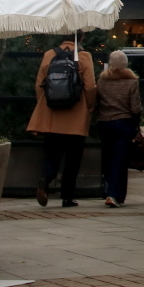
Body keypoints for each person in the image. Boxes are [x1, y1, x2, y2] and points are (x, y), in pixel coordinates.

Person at [26, 39, 96, 207]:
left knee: (52, 153)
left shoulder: (49, 55)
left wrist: (44, 104)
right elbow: (90, 86)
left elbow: (39, 84)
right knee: (73, 159)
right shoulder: (84, 57)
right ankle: (67, 197)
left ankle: (45, 179)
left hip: (52, 115)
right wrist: (89, 107)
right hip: (76, 116)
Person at [96, 50, 142, 207]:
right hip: (123, 123)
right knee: (120, 160)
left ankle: (110, 190)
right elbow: (136, 108)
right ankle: (114, 195)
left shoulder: (102, 81)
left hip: (105, 123)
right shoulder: (132, 82)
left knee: (108, 158)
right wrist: (137, 124)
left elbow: (96, 102)